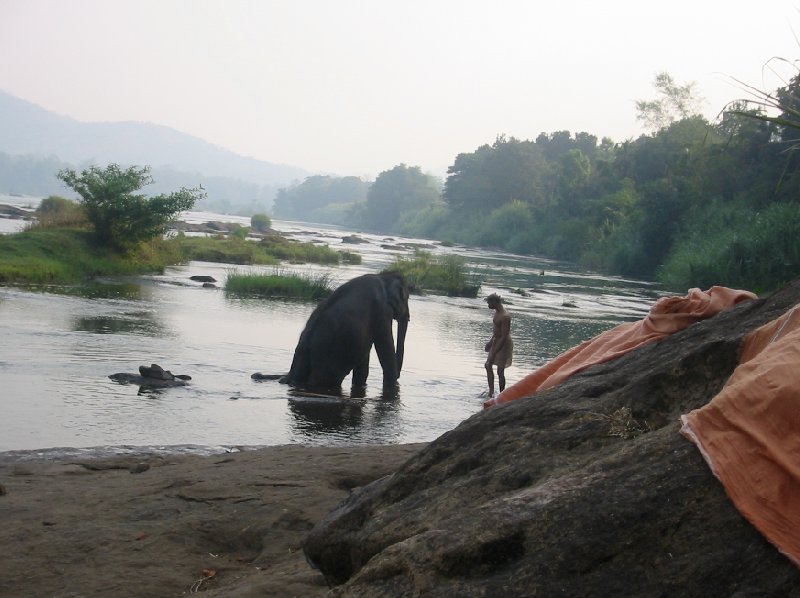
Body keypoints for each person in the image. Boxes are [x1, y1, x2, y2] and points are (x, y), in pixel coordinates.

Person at [484, 293, 513, 397]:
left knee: (500, 371)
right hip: (496, 340)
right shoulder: (497, 312)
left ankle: (502, 394)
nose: (488, 306)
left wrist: (496, 350)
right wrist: (490, 342)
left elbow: (504, 336)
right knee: (488, 365)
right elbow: (497, 331)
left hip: (504, 343)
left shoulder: (505, 316)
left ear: (495, 302)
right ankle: (491, 392)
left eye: (489, 303)